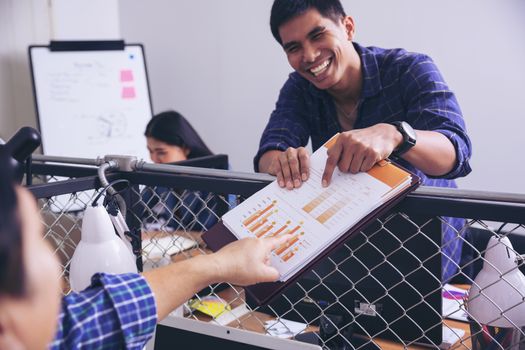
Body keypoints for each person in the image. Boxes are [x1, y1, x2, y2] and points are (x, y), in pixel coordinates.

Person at [255, 0, 472, 282]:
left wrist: (396, 134)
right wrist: (282, 161)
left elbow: (456, 151)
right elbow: (268, 154)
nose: (308, 55)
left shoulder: (409, 69)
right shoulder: (299, 87)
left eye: (317, 35)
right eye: (293, 48)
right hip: (349, 247)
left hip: (426, 245)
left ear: (348, 27)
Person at [0, 163, 290, 349]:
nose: (55, 264)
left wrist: (221, 264)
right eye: (37, 240)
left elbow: (101, 317)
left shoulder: (47, 336)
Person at [142, 110, 222, 231]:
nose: (153, 159)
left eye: (161, 152)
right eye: (150, 151)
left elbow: (218, 234)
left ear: (185, 148)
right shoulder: (160, 176)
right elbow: (138, 211)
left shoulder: (217, 176)